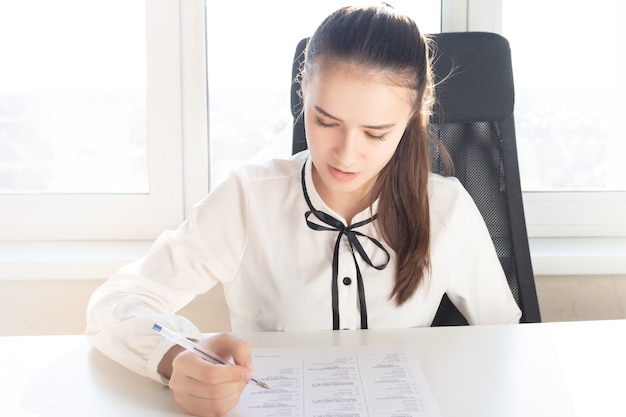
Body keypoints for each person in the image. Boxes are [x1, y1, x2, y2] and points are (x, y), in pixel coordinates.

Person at [86, 3, 521, 417]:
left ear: (410, 121)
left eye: (375, 133)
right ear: (303, 95)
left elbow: (507, 341)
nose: (346, 155)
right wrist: (173, 358)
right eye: (326, 121)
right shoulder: (248, 199)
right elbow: (115, 303)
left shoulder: (446, 209)